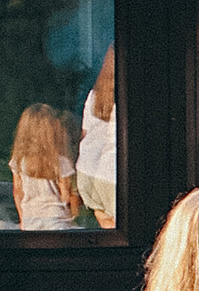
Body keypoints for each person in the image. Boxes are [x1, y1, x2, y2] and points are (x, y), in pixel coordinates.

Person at [10, 101, 80, 230]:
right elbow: (66, 196)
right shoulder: (62, 161)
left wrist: (22, 218)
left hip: (30, 217)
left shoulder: (19, 160)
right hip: (57, 217)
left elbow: (17, 191)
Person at [78, 47, 118, 231]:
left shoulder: (94, 96)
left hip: (87, 172)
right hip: (111, 175)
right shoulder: (125, 99)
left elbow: (85, 134)